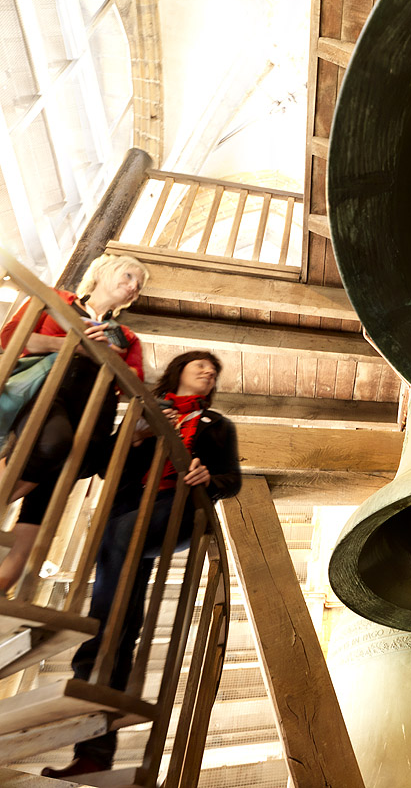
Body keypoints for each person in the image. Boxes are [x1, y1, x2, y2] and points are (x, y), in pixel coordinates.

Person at [43, 350, 241, 780]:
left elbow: (232, 480)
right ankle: (95, 751)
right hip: (130, 512)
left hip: (178, 510)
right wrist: (135, 435)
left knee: (113, 571)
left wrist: (209, 478)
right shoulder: (145, 411)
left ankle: (93, 663)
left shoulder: (218, 425)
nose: (208, 372)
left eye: (213, 370)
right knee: (119, 621)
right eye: (199, 366)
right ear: (178, 372)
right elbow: (104, 468)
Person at [0, 253, 149, 591]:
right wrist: (73, 345)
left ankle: (5, 583)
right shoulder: (57, 300)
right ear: (103, 271)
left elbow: (132, 385)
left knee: (50, 496)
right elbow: (10, 339)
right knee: (53, 444)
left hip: (94, 415)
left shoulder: (126, 335)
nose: (133, 287)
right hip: (51, 393)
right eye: (129, 277)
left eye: (137, 287)